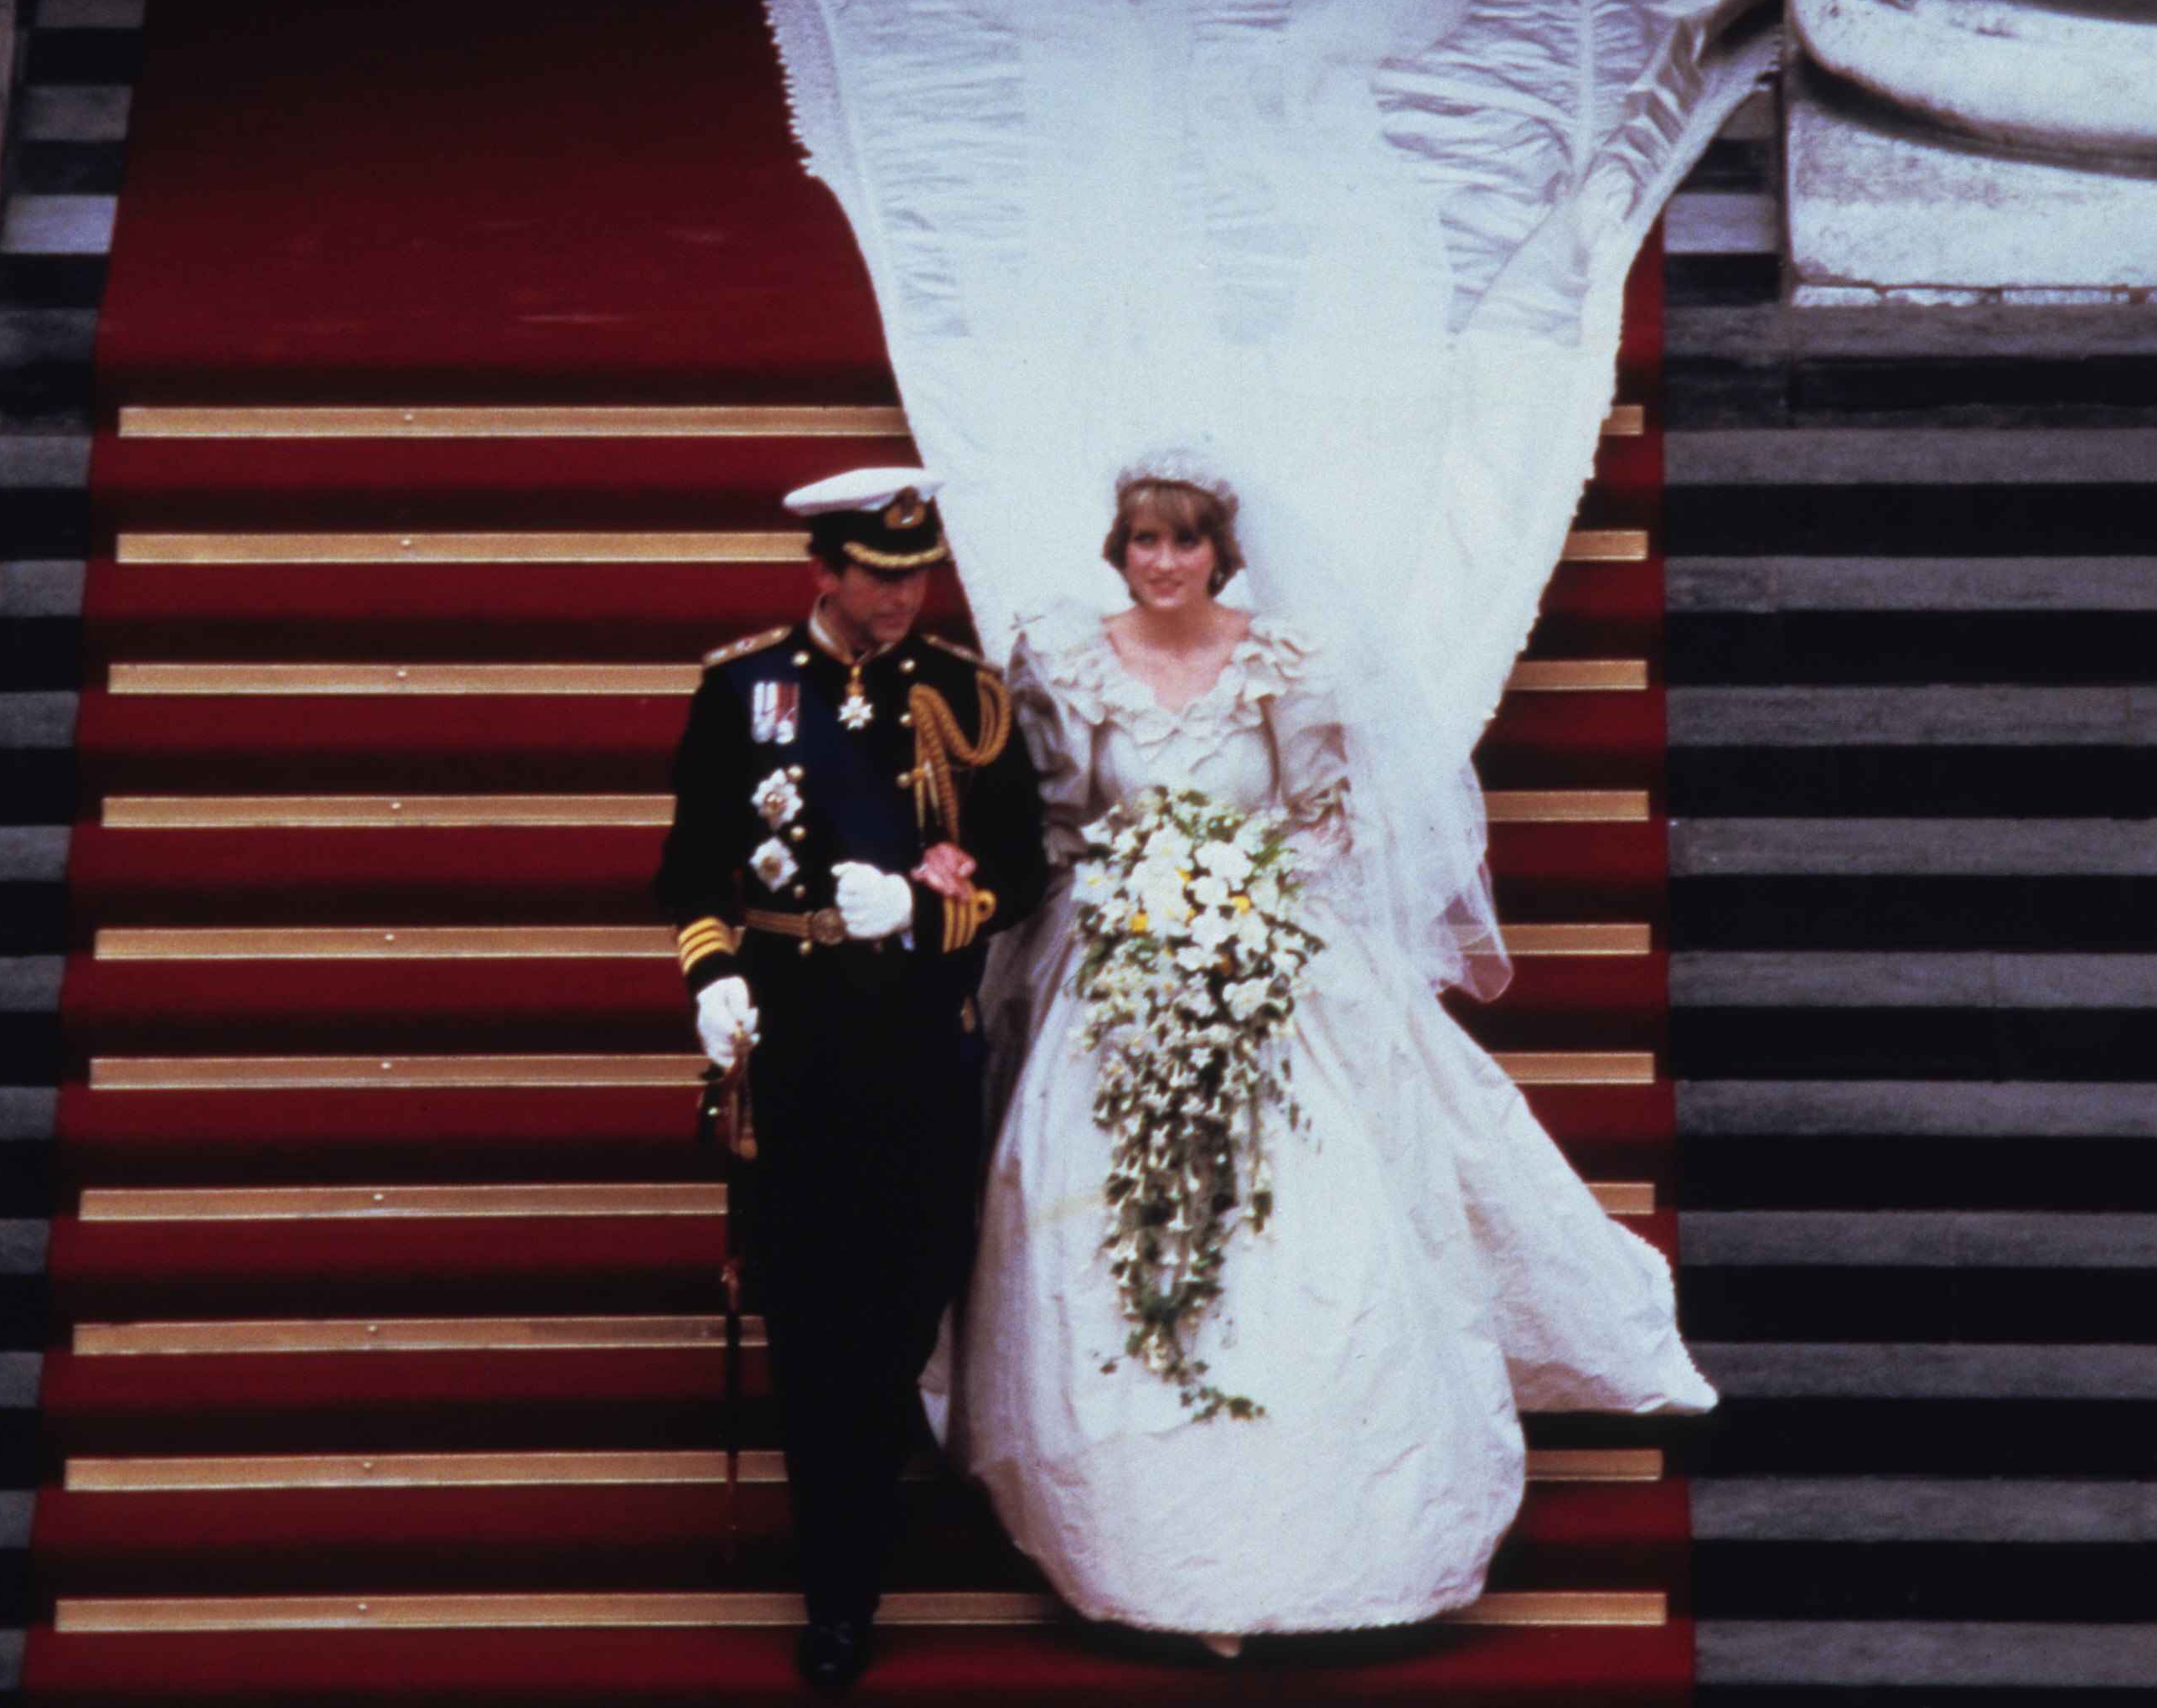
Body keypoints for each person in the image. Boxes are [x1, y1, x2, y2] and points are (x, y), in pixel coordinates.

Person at [931, 458, 1718, 1649]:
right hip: (1115, 972)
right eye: (1141, 541)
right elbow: (1058, 824)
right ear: (1117, 548)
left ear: (1219, 551)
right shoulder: (1067, 659)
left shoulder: (1283, 663)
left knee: (1308, 1239)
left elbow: (1319, 817)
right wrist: (1141, 907)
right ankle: (1150, 1550)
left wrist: (1237, 909)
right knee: (1104, 1235)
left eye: (1182, 543)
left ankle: (1320, 1535)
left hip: (1266, 962)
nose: (1160, 562)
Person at [654, 465, 1048, 1692]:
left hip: (920, 1053)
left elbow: (1023, 875)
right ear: (822, 569)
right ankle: (840, 1591)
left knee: (900, 1310)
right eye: (878, 576)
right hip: (796, 1051)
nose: (901, 596)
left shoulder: (966, 699)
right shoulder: (744, 691)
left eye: (917, 572)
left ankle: (858, 1533)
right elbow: (689, 876)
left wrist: (925, 924)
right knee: (811, 1326)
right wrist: (711, 980)